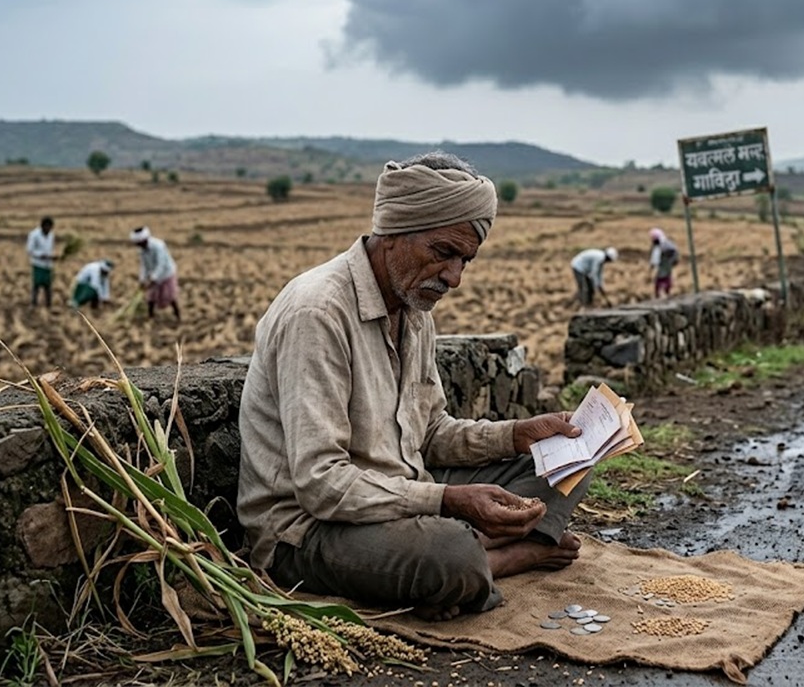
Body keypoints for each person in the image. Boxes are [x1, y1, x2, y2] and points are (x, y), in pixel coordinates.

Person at [237, 152, 590, 621]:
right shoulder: (318, 312)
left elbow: (428, 431)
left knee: (566, 463)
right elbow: (320, 485)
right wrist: (448, 502)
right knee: (448, 555)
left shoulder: (414, 309)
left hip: (401, 490)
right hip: (307, 531)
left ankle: (468, 555)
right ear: (393, 233)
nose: (454, 278)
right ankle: (504, 556)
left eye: (466, 259)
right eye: (443, 253)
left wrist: (516, 434)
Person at [129, 226, 181, 322]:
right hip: (153, 273)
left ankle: (177, 315)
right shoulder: (141, 250)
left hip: (166, 273)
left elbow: (161, 264)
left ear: (144, 240)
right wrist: (142, 280)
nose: (138, 246)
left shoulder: (158, 246)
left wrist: (153, 279)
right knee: (151, 295)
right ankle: (151, 316)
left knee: (169, 295)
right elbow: (144, 265)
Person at [25, 217, 56, 308]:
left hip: (48, 264)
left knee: (48, 285)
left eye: (50, 228)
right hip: (38, 264)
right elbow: (29, 250)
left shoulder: (51, 235)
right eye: (47, 227)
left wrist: (52, 256)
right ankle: (33, 303)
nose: (48, 229)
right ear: (42, 226)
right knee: (36, 285)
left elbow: (50, 249)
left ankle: (48, 304)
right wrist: (40, 255)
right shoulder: (34, 235)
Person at [648, 228, 679, 298]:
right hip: (660, 266)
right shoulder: (656, 246)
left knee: (664, 279)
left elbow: (673, 253)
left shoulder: (665, 245)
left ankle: (664, 293)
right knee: (659, 280)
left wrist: (671, 261)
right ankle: (660, 294)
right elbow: (654, 257)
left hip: (665, 265)